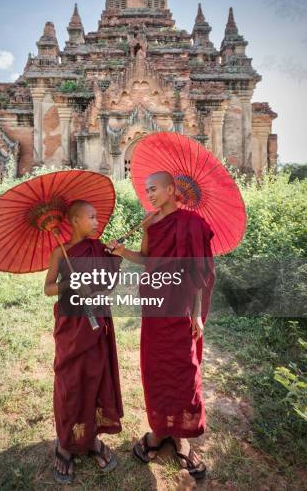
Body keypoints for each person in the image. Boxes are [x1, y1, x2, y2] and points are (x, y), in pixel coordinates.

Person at [107, 172, 215, 480]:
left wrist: (195, 313)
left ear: (170, 190)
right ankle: (158, 431)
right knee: (155, 367)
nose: (150, 194)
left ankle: (180, 434)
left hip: (180, 306)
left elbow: (198, 271)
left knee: (183, 368)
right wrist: (121, 252)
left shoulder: (191, 223)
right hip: (154, 304)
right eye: (146, 189)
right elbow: (146, 258)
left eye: (154, 189)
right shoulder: (150, 222)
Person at [45, 199, 123, 484]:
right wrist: (69, 284)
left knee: (95, 378)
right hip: (71, 326)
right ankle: (65, 443)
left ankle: (90, 438)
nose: (96, 222)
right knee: (70, 383)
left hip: (96, 323)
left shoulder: (98, 248)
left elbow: (110, 283)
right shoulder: (59, 253)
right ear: (75, 221)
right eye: (90, 217)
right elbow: (48, 288)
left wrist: (115, 255)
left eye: (96, 217)